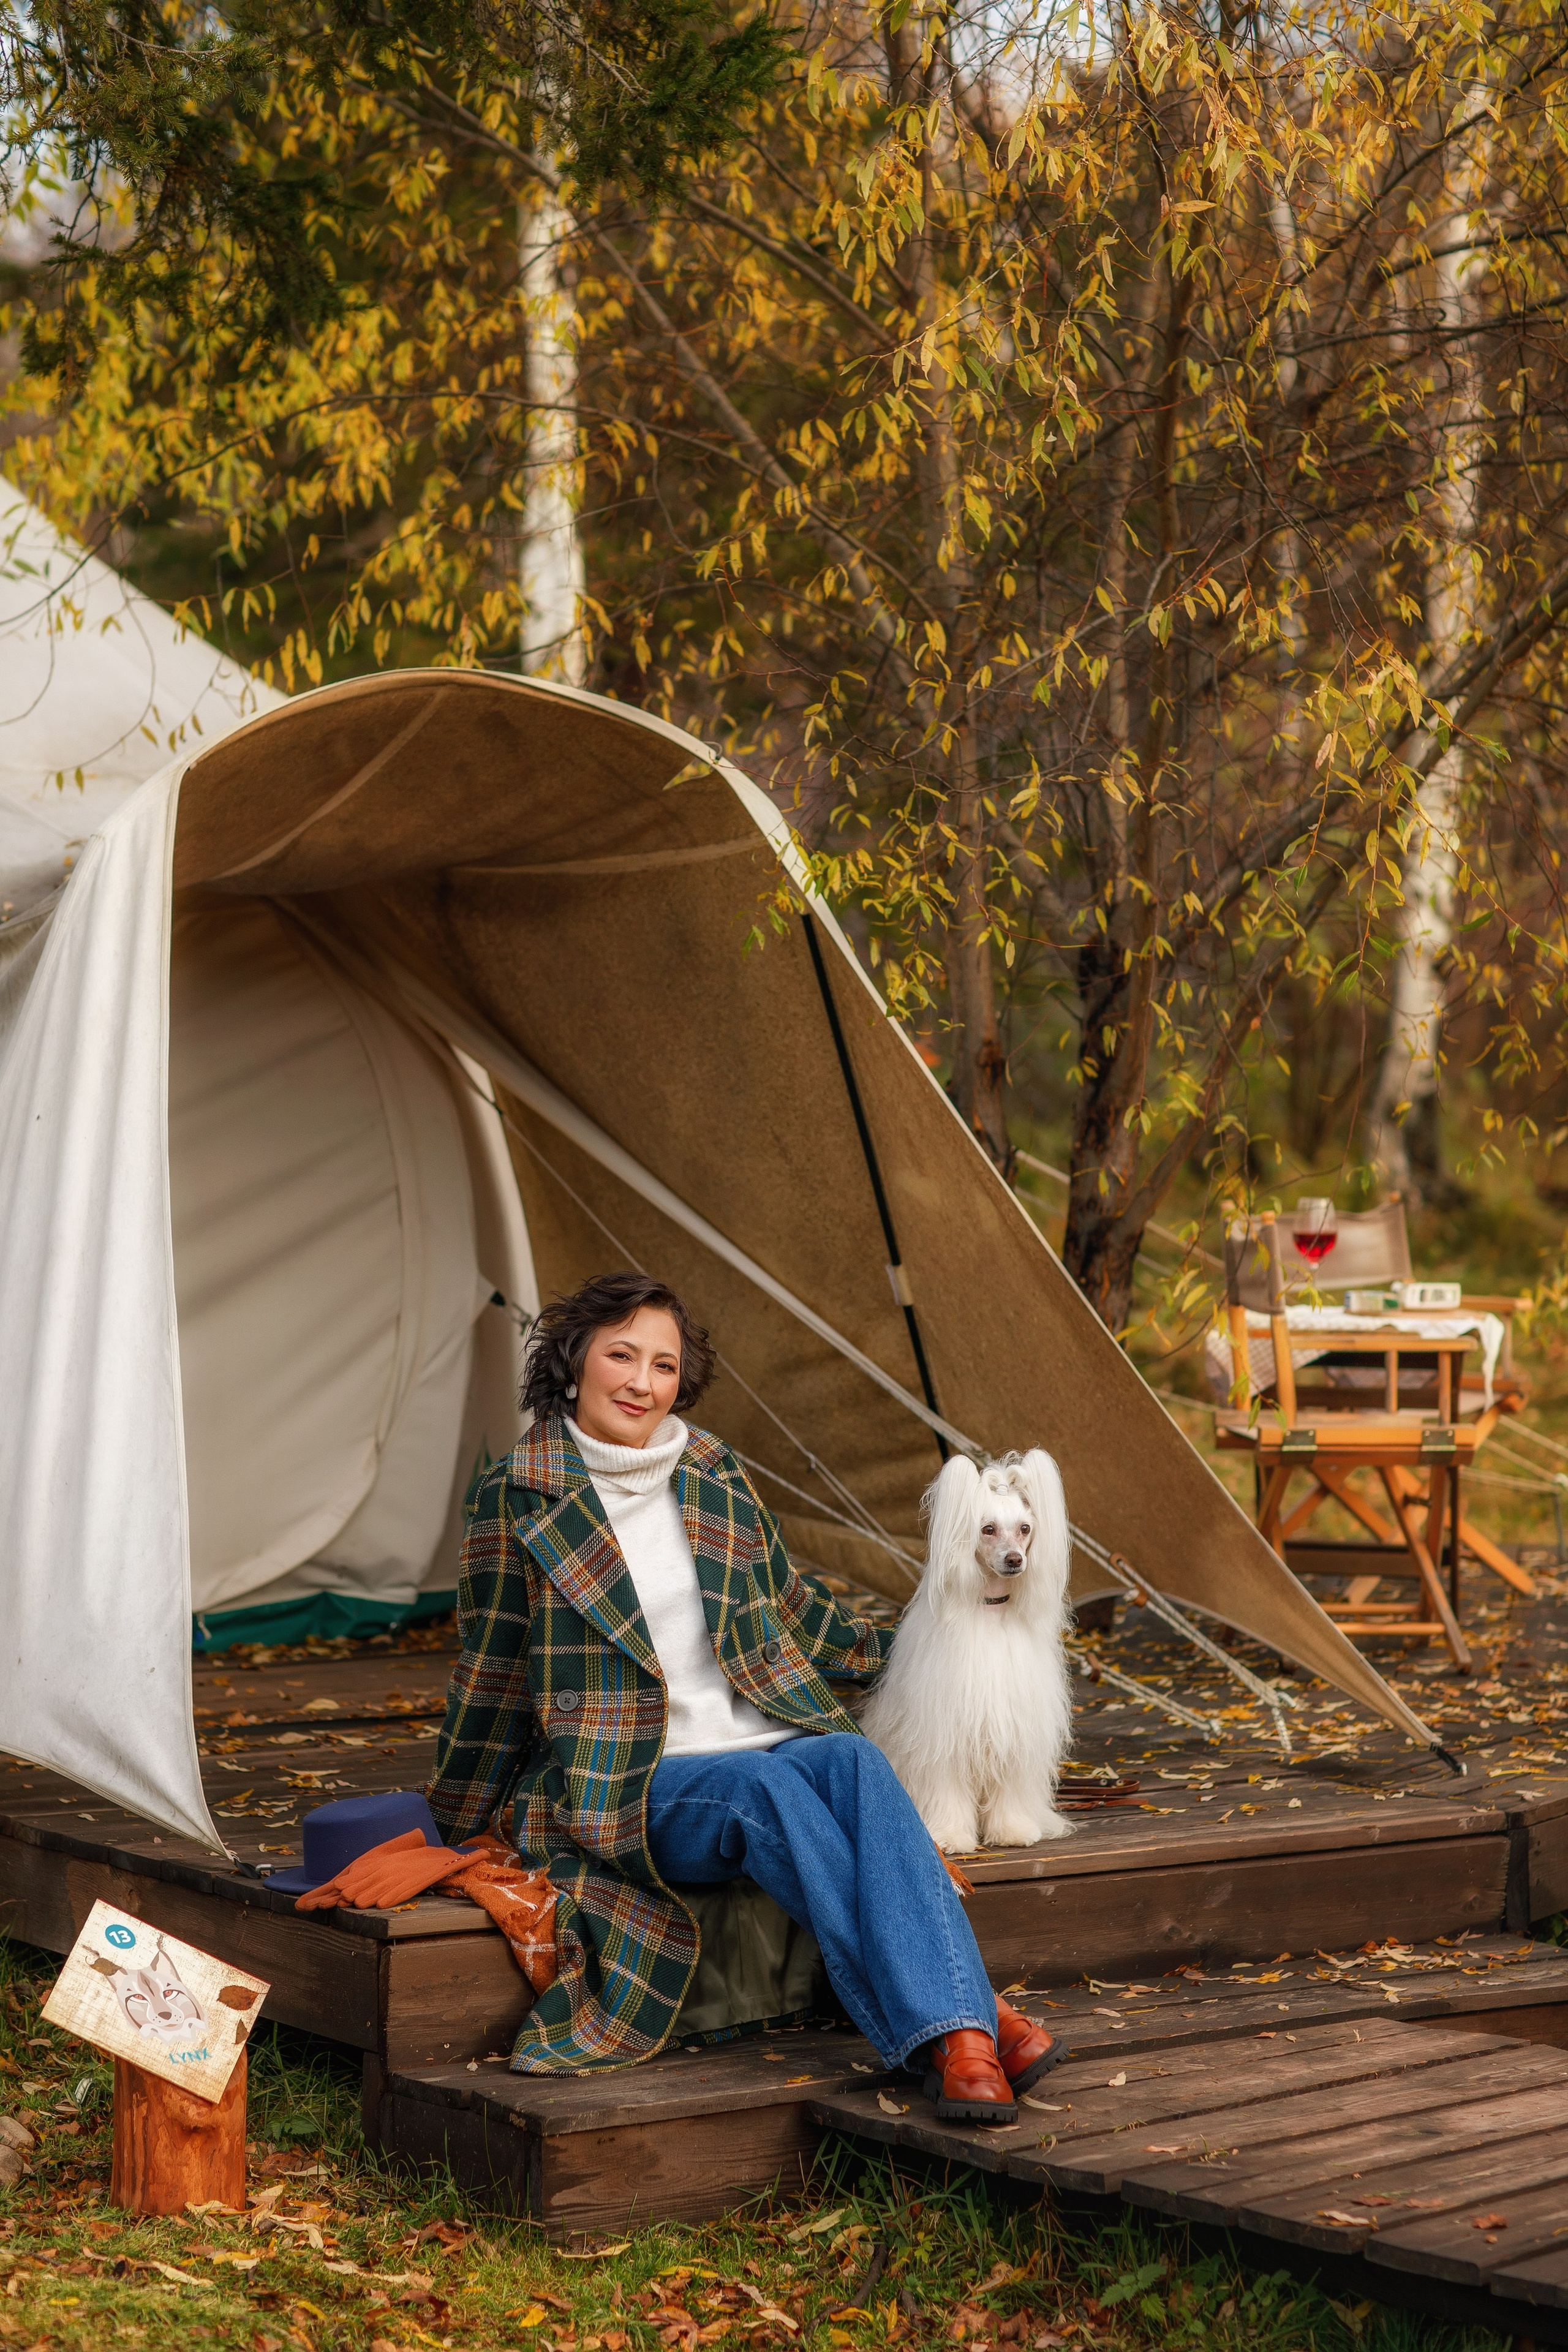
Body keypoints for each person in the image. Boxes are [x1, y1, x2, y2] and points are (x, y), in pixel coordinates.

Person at [426, 1270, 1059, 2120]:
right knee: (765, 1791)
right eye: (621, 1355)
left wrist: (919, 1656)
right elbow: (493, 1666)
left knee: (850, 1759)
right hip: (632, 1780)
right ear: (574, 1361)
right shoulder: (519, 1492)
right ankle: (968, 2028)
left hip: (757, 1736)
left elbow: (795, 1611)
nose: (641, 1381)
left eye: (662, 1363)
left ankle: (967, 2034)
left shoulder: (714, 1472)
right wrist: (457, 1818)